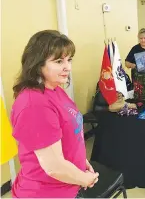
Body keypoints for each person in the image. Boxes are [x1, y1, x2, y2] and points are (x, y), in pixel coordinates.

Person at [10, 30, 99, 198]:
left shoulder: (54, 88)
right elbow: (54, 166)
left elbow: (68, 134)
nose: (68, 67)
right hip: (46, 192)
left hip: (66, 185)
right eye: (59, 61)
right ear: (37, 64)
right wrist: (85, 179)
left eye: (69, 59)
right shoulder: (34, 105)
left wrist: (81, 163)